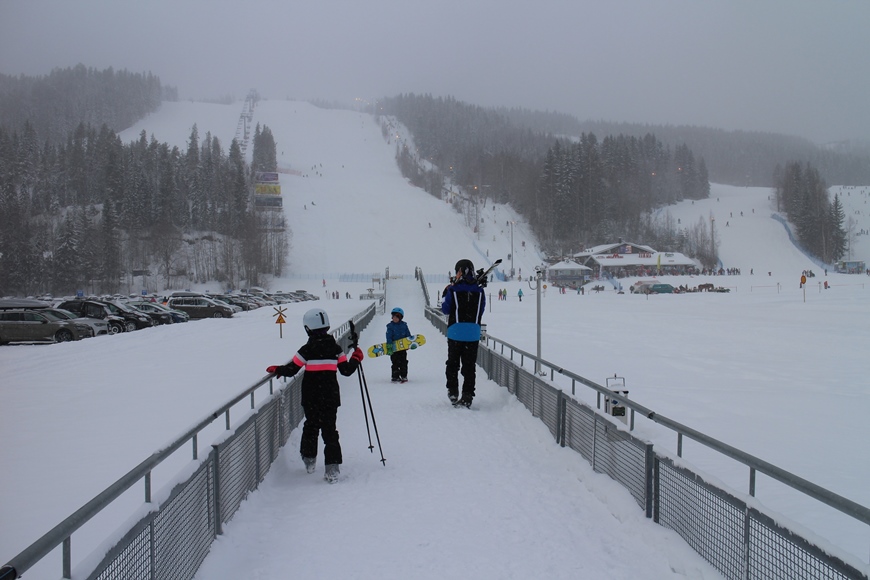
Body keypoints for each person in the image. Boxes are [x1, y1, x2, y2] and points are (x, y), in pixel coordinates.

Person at [265, 307, 364, 483]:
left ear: (308, 328)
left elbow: (292, 368)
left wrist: (278, 369)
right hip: (330, 396)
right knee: (330, 431)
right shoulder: (335, 348)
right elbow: (346, 371)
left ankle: (309, 460)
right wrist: (355, 358)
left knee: (311, 427)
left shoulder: (307, 349)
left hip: (311, 397)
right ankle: (332, 469)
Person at [441, 259, 486, 408]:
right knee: (469, 366)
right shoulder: (480, 289)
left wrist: (447, 292)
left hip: (455, 332)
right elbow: (481, 310)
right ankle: (467, 396)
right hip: (473, 333)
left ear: (459, 271)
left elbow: (446, 309)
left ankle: (453, 391)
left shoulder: (453, 289)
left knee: (452, 364)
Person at [386, 307, 411, 383]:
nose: (395, 319)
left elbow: (408, 334)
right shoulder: (390, 326)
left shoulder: (404, 325)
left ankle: (404, 375)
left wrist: (409, 343)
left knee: (403, 362)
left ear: (400, 318)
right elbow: (389, 336)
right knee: (395, 362)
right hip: (394, 348)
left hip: (402, 348)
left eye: (397, 317)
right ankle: (395, 376)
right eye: (394, 317)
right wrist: (389, 346)